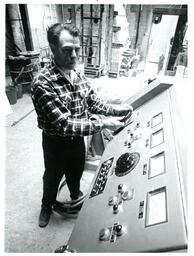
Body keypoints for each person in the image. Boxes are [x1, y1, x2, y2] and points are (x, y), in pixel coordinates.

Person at [31, 23, 133, 228]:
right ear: (52, 48)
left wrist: (116, 109)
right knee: (52, 177)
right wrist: (103, 122)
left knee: (75, 171)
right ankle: (47, 204)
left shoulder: (77, 74)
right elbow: (64, 125)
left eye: (77, 49)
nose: (75, 55)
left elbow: (92, 101)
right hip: (55, 143)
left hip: (78, 140)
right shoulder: (43, 83)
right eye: (67, 50)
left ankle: (75, 193)